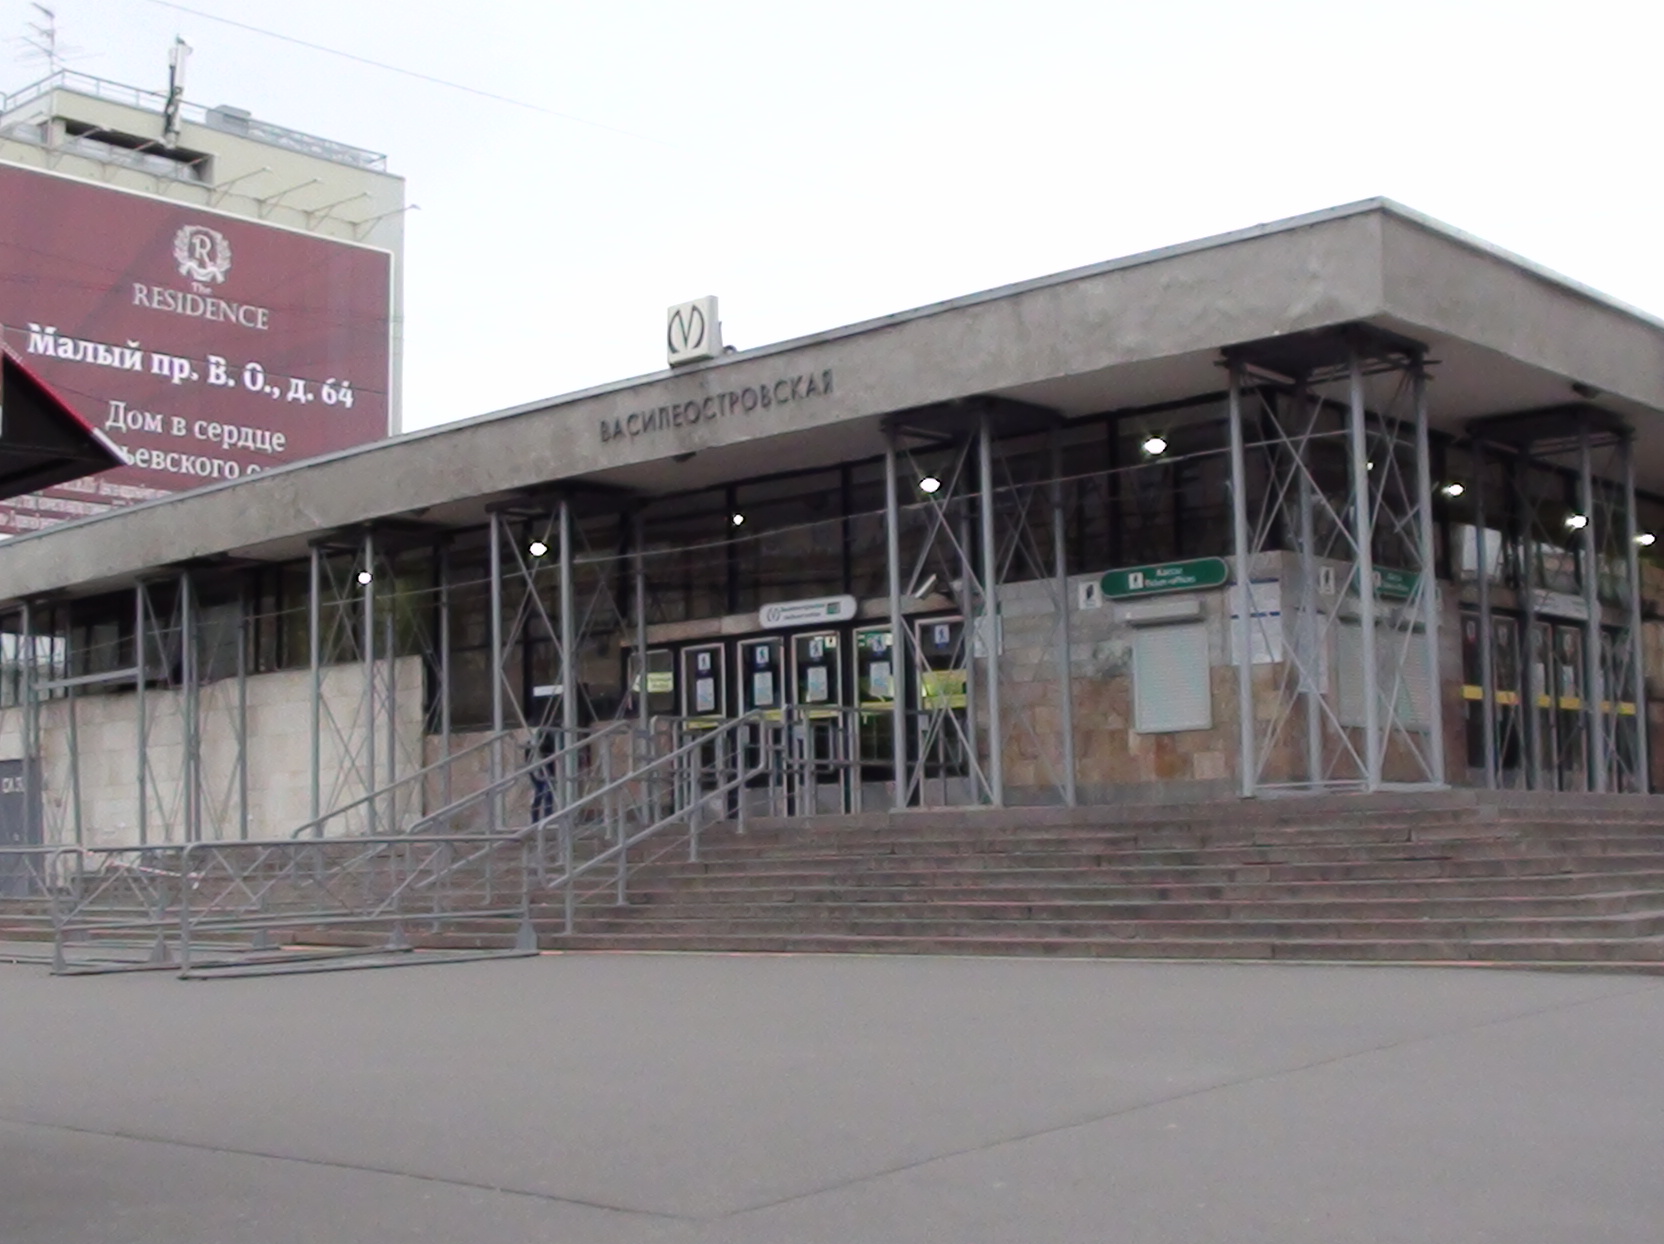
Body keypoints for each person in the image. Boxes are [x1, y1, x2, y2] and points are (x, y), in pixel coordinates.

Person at [526, 727, 557, 823]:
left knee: (544, 794)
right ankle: (541, 818)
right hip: (539, 769)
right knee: (542, 794)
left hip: (542, 769)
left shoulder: (547, 740)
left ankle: (543, 818)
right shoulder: (547, 741)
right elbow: (528, 759)